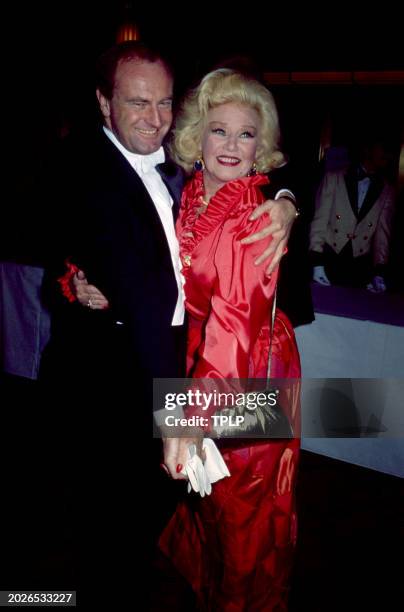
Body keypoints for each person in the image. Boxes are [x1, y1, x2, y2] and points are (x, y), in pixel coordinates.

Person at [38, 41, 299, 601]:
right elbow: (63, 256)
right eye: (138, 104)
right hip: (145, 374)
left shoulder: (207, 185)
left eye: (163, 105)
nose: (154, 121)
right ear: (104, 103)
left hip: (243, 372)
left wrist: (283, 198)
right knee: (193, 512)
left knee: (244, 510)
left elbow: (231, 324)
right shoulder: (92, 169)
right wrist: (71, 282)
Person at [150, 68, 301, 611]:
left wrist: (187, 419)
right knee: (209, 498)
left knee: (244, 499)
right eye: (220, 130)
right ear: (197, 136)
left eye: (246, 134)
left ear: (262, 147)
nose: (232, 145)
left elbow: (235, 329)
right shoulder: (192, 192)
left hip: (252, 367)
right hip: (204, 358)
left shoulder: (251, 218)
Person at [310, 140, 396, 291]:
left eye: (389, 151)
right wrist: (316, 262)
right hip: (329, 258)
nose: (387, 154)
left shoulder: (386, 190)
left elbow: (383, 234)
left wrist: (379, 272)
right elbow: (319, 221)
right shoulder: (334, 178)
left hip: (359, 266)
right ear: (368, 149)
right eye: (382, 148)